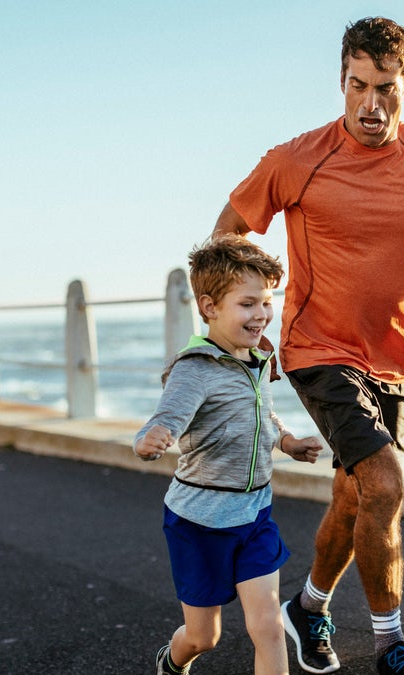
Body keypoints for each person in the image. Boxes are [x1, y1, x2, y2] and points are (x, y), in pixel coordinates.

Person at [211, 16, 404, 675]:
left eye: (385, 88)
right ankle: (390, 642)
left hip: (394, 355)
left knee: (356, 497)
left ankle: (310, 602)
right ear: (341, 81)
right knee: (385, 479)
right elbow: (228, 232)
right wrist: (244, 321)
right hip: (316, 347)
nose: (370, 103)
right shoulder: (296, 159)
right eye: (357, 86)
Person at [134, 234, 324, 675]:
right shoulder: (195, 369)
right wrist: (152, 438)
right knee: (205, 636)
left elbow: (261, 415)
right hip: (198, 522)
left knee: (270, 627)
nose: (261, 314)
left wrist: (288, 441)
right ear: (209, 306)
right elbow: (166, 417)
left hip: (255, 514)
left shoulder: (256, 357)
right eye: (247, 303)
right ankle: (172, 660)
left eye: (266, 302)